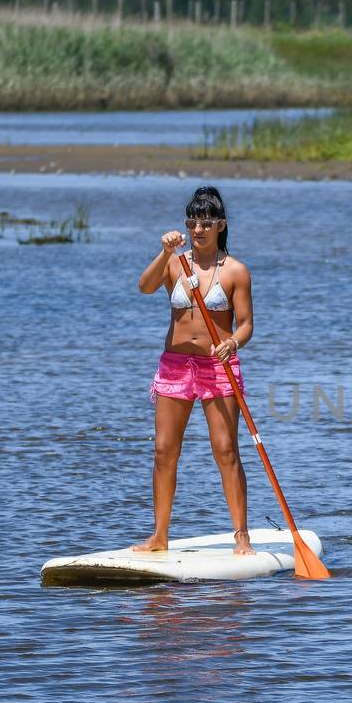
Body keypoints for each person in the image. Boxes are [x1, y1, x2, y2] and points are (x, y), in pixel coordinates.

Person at [132, 186, 255, 555]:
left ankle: (242, 537)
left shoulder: (235, 270)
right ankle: (159, 536)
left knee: (225, 450)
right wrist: (165, 251)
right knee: (164, 451)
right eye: (192, 222)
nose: (198, 229)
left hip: (217, 367)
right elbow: (144, 287)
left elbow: (246, 324)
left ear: (221, 226)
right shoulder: (176, 262)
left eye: (206, 223)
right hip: (174, 367)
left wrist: (232, 342)